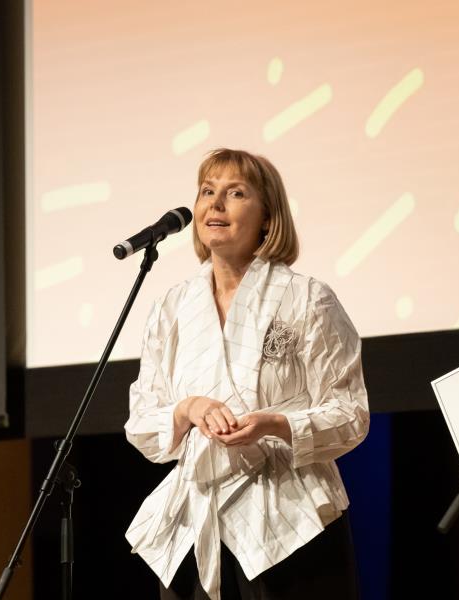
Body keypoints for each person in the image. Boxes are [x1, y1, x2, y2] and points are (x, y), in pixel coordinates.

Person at [124, 148, 369, 600]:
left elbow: (350, 414)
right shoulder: (171, 308)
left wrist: (274, 424)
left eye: (235, 193)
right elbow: (141, 421)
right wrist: (187, 409)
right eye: (207, 191)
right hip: (195, 520)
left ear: (268, 217)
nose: (215, 204)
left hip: (291, 520)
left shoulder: (307, 299)